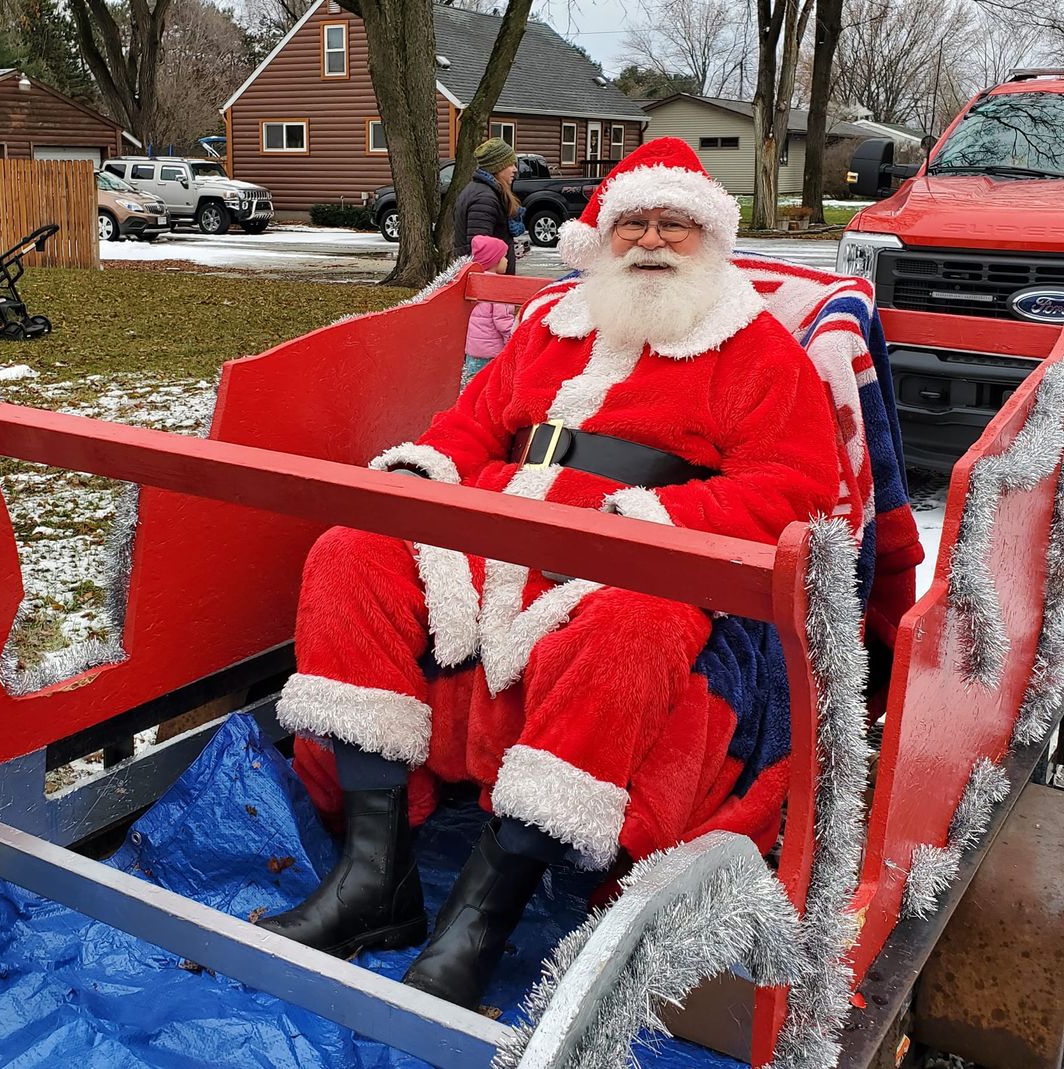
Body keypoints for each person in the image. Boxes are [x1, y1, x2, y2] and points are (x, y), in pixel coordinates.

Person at [258, 138, 843, 1009]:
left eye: (672, 225)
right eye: (632, 222)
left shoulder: (754, 350)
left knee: (633, 629)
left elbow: (797, 488)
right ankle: (373, 877)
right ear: (602, 237)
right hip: (498, 530)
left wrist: (662, 520)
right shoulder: (551, 325)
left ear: (708, 236)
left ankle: (481, 919)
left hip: (641, 554)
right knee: (350, 551)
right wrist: (425, 476)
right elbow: (470, 422)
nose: (649, 240)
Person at [452, 137, 530, 272]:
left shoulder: (485, 192)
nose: (515, 169)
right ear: (497, 167)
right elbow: (481, 253)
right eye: (510, 164)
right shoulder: (484, 199)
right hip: (490, 283)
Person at [461, 234, 515, 389]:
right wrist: (512, 341)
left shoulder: (474, 282)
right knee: (490, 387)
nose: (507, 260)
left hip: (473, 351)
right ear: (494, 261)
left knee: (473, 387)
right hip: (492, 353)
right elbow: (502, 321)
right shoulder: (497, 286)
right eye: (504, 257)